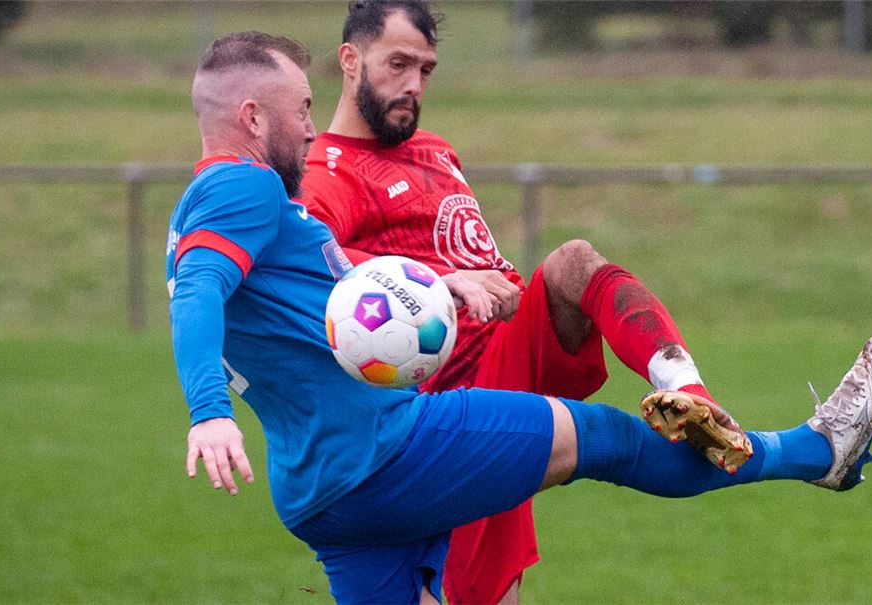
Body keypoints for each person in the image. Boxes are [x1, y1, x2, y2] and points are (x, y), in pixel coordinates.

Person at [168, 30, 872, 605]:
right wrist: (207, 411)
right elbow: (202, 289)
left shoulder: (203, 211)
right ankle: (816, 451)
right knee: (606, 438)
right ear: (252, 117)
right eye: (298, 110)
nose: (308, 125)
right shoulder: (242, 186)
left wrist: (436, 286)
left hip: (319, 491)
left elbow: (300, 290)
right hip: (385, 449)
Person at [295, 2, 735, 602]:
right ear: (350, 59)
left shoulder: (437, 150)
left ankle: (692, 396)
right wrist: (437, 279)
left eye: (425, 69)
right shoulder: (325, 174)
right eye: (397, 64)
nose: (413, 85)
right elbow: (319, 270)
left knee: (574, 262)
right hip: (443, 401)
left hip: (508, 353)